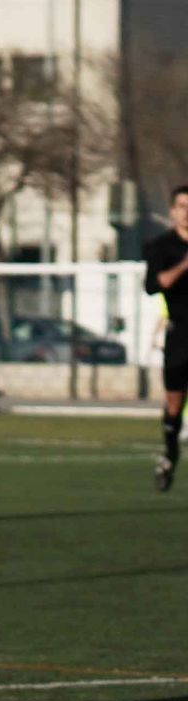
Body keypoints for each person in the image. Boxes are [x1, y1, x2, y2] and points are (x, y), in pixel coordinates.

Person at [145, 185, 188, 492]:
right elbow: (154, 285)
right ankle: (170, 455)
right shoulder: (161, 247)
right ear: (173, 211)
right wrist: (184, 265)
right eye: (182, 206)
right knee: (174, 402)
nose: (187, 213)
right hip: (181, 334)